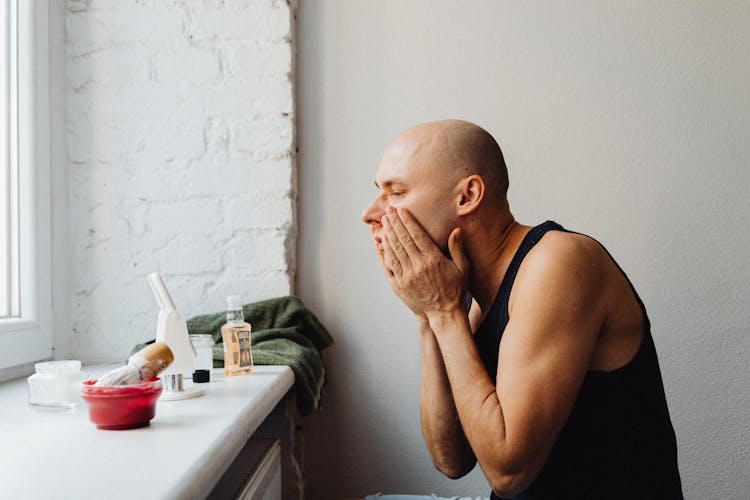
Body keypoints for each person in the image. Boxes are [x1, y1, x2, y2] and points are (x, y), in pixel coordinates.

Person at [360, 120, 683, 499]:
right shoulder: (476, 297)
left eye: (396, 192)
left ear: (468, 196)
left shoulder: (559, 262)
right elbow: (451, 460)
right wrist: (428, 318)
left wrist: (445, 314)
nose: (371, 213)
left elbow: (508, 472)